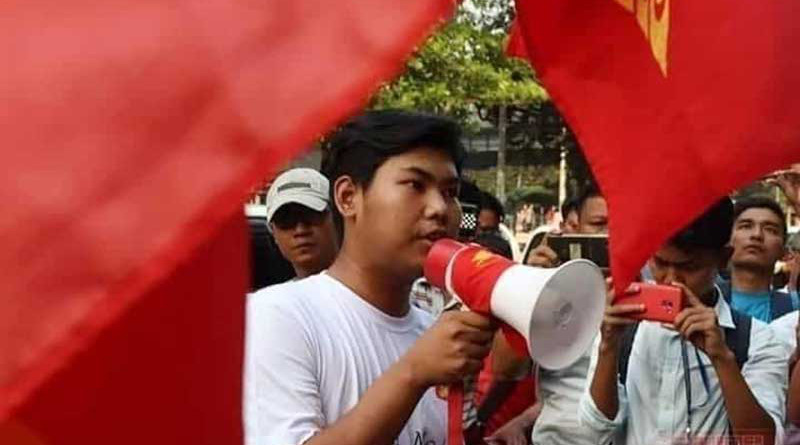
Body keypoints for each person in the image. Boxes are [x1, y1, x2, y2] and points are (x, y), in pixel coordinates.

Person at [244, 110, 495, 445]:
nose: (438, 208)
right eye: (415, 185)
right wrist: (413, 374)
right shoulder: (276, 317)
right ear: (348, 198)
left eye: (449, 192)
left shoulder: (434, 334)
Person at [580, 198, 787, 444]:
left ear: (723, 258)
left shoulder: (758, 340)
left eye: (689, 267)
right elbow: (594, 434)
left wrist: (722, 358)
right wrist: (608, 347)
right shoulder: (622, 325)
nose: (672, 280)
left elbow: (763, 440)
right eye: (660, 263)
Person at [726, 196, 795, 322]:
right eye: (746, 226)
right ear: (727, 240)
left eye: (770, 230)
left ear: (783, 251)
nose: (757, 235)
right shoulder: (702, 301)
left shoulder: (794, 308)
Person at [264, 168, 339, 280]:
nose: (300, 230)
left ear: (336, 218)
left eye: (310, 214)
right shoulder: (269, 297)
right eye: (286, 220)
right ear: (273, 231)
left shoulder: (368, 290)